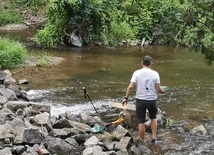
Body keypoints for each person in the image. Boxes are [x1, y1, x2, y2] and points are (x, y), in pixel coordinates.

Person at [122, 55, 165, 144]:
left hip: (140, 100)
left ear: (142, 63)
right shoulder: (155, 73)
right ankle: (154, 138)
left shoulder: (136, 73)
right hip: (152, 100)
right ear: (151, 64)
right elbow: (159, 89)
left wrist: (126, 98)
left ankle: (142, 140)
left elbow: (130, 87)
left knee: (141, 121)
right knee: (153, 118)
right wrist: (163, 91)